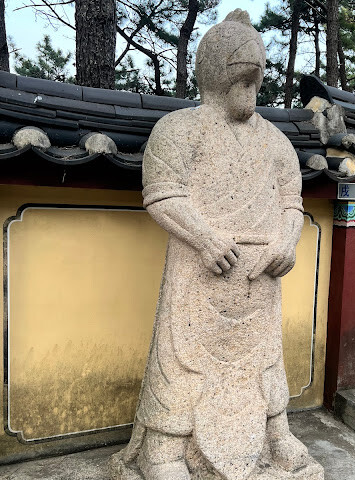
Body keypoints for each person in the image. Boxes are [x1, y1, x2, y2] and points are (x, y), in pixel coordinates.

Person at [110, 9, 323, 480]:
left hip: (261, 276)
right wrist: (204, 238)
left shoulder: (276, 142)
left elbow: (292, 202)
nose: (249, 90)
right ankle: (164, 449)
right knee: (180, 359)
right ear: (212, 71)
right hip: (198, 270)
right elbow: (162, 193)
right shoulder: (178, 129)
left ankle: (275, 432)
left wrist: (286, 242)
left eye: (254, 81)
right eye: (240, 79)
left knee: (265, 358)